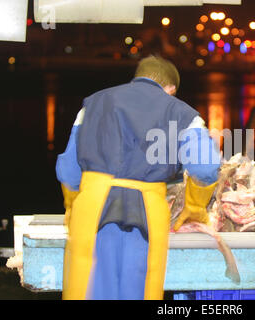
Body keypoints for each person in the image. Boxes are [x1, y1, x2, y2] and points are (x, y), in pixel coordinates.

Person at [56, 55, 220, 300]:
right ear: (171, 89)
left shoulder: (92, 105)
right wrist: (195, 207)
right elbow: (205, 168)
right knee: (141, 289)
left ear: (136, 78)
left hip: (91, 207)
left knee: (86, 289)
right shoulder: (184, 114)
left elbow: (69, 170)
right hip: (147, 210)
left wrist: (72, 207)